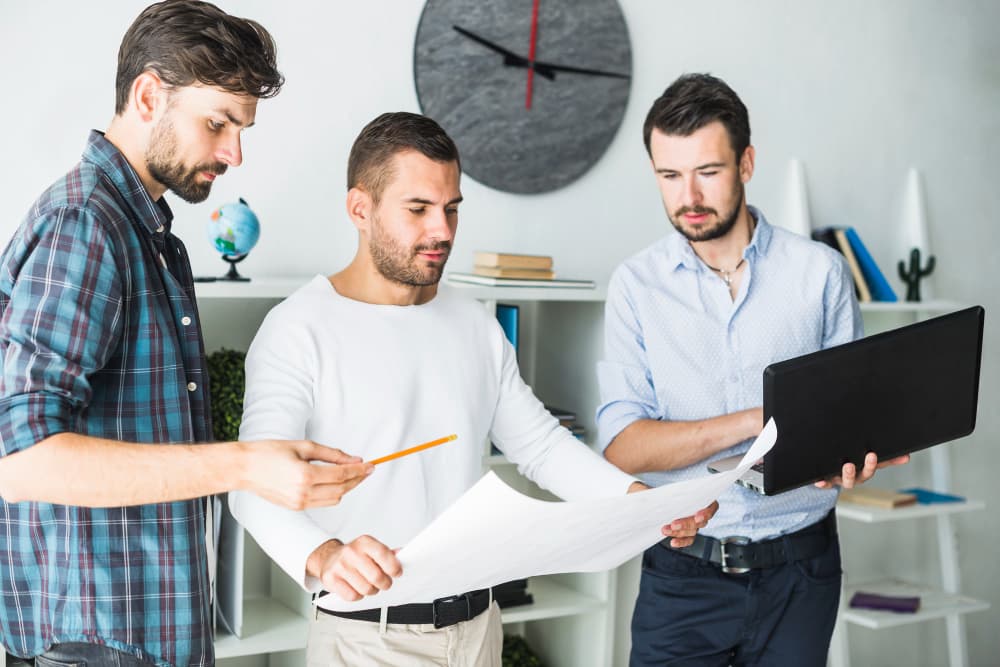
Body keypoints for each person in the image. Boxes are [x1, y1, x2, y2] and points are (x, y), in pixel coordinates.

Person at [228, 111, 718, 667]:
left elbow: (542, 446)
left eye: (452, 209)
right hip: (366, 639)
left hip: (478, 631)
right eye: (418, 209)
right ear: (359, 209)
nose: (442, 230)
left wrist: (641, 506)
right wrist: (325, 555)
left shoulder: (473, 323)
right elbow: (250, 486)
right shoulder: (298, 329)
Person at [0, 2, 371, 665]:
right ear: (148, 96)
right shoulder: (86, 224)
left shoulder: (145, 232)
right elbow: (24, 460)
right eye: (218, 123)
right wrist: (244, 463)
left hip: (139, 635)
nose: (234, 152)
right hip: (101, 646)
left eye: (241, 128)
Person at [596, 73, 909, 666]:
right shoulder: (635, 286)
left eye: (707, 172)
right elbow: (623, 447)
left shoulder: (820, 274)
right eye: (669, 175)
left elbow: (849, 420)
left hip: (803, 574)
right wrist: (758, 419)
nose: (688, 195)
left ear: (746, 163)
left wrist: (851, 458)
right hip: (682, 576)